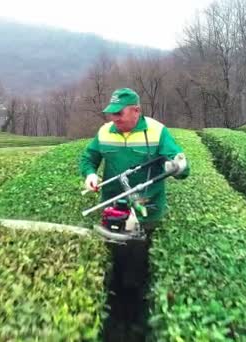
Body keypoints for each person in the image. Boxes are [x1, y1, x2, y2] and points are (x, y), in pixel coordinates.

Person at [79, 88, 189, 335]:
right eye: (111, 114)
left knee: (139, 265)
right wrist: (89, 174)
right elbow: (89, 158)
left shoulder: (157, 131)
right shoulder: (105, 132)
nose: (114, 119)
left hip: (146, 211)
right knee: (114, 260)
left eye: (119, 113)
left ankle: (138, 316)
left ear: (137, 110)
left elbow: (181, 165)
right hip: (113, 210)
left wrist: (178, 166)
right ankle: (113, 310)